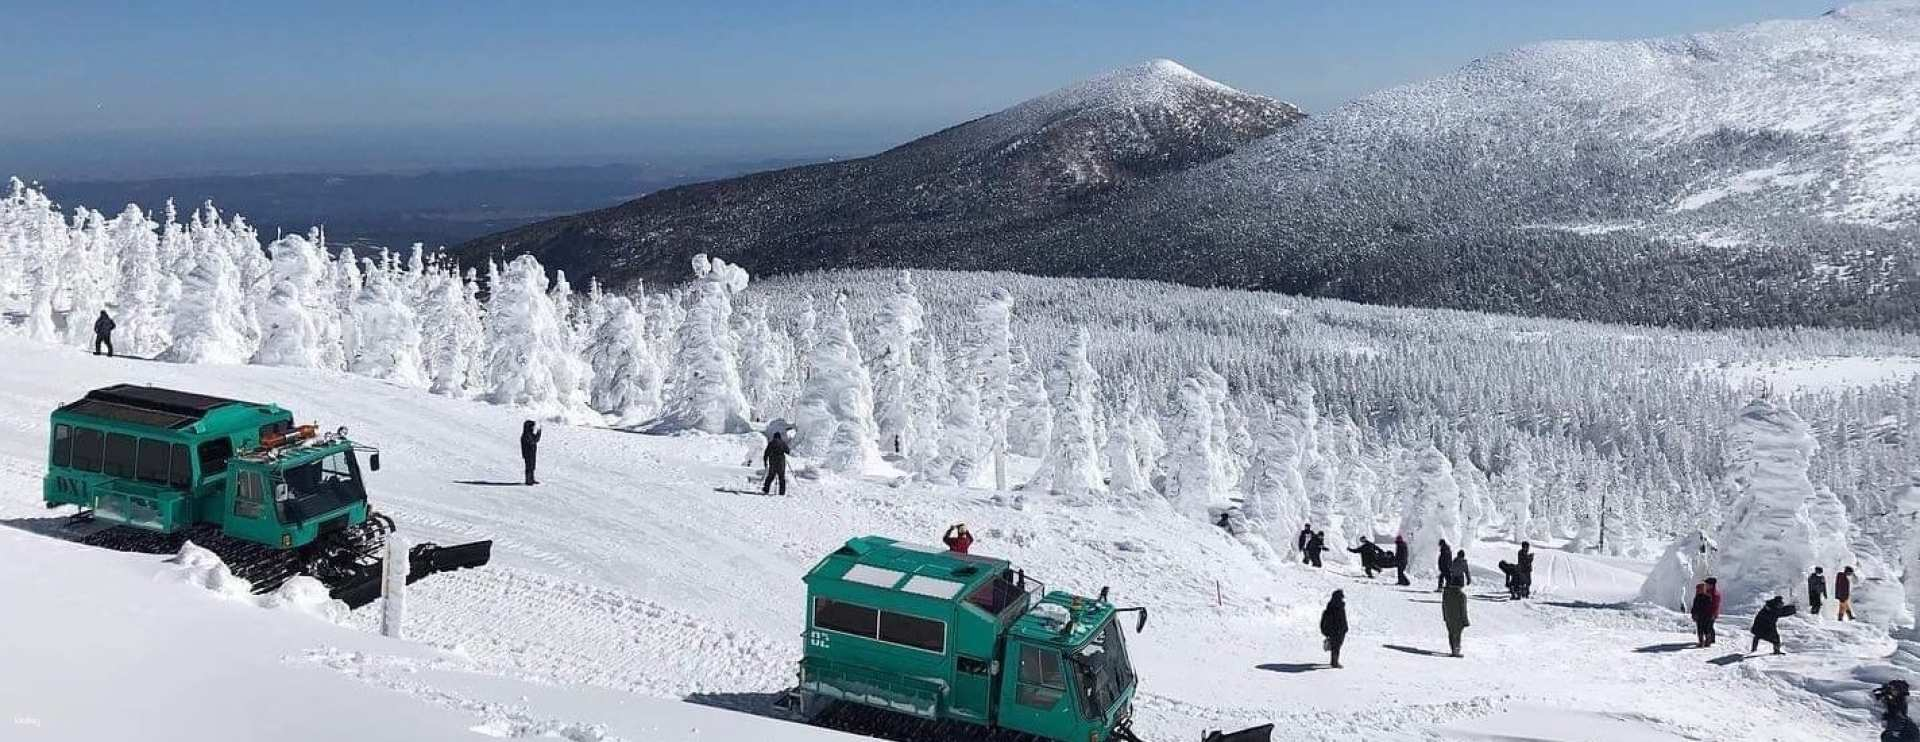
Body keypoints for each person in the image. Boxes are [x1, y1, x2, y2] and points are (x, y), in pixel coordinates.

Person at [1320, 590, 1348, 668]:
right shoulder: (1338, 606)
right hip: (1337, 630)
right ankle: (1334, 663)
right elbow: (1340, 619)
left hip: (1335, 630)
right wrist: (1343, 628)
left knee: (1335, 646)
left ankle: (1334, 661)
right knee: (1336, 646)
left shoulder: (1331, 605)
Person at [1443, 580, 1470, 657]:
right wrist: (1465, 621)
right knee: (1457, 635)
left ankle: (1453, 649)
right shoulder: (1461, 595)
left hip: (1449, 617)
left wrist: (1445, 616)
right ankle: (1456, 650)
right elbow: (1463, 609)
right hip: (1458, 619)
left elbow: (1443, 606)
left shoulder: (1446, 593)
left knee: (1451, 633)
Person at [761, 429, 790, 496]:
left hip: (773, 462)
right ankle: (782, 493)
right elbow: (788, 451)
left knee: (770, 476)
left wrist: (765, 463)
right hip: (781, 462)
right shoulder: (783, 443)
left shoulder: (771, 443)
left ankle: (766, 489)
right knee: (781, 478)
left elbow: (766, 453)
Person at [1690, 582, 1715, 648]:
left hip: (1704, 616)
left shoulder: (1703, 597)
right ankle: (1704, 642)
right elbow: (1694, 607)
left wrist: (1694, 614)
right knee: (1702, 629)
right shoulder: (1704, 597)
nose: (1697, 590)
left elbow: (1696, 607)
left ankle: (1705, 642)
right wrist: (1693, 613)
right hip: (1703, 616)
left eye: (1698, 588)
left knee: (1703, 629)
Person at [519, 420, 541, 486]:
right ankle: (528, 480)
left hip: (531, 452)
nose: (533, 428)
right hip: (528, 453)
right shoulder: (527, 434)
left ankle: (531, 479)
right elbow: (534, 440)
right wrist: (539, 433)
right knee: (529, 466)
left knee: (532, 466)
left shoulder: (528, 433)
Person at [1704, 577, 1723, 646]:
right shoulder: (1709, 592)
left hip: (1711, 613)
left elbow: (1715, 605)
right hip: (1708, 613)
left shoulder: (1714, 594)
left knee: (1708, 627)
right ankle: (1711, 639)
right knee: (1709, 626)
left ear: (1711, 585)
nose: (1706, 585)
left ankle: (1708, 641)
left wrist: (1712, 614)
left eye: (1707, 584)